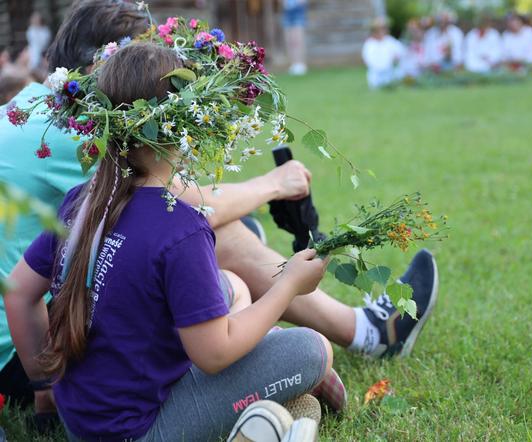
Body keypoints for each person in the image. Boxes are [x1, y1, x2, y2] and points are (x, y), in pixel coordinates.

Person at [0, 0, 439, 419]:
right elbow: (189, 208)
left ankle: (300, 338)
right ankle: (363, 331)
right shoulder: (88, 133)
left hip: (64, 343)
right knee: (228, 250)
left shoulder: (31, 114)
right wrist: (273, 202)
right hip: (30, 354)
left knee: (226, 255)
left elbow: (22, 285)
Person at [5, 42, 335, 441]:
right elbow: (213, 354)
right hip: (139, 430)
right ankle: (262, 425)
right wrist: (287, 286)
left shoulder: (83, 201)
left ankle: (276, 417)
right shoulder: (180, 228)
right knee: (313, 350)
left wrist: (46, 385)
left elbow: (20, 291)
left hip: (83, 421)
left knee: (232, 287)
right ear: (186, 125)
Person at [361, 17, 405, 89]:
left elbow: (401, 51)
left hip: (390, 70)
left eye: (384, 29)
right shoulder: (370, 43)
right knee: (376, 85)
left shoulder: (390, 40)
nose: (382, 31)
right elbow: (368, 59)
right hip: (376, 73)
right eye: (379, 29)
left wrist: (396, 56)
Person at [281, 0, 308, 75]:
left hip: (298, 10)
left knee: (298, 40)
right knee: (289, 40)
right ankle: (293, 64)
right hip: (287, 11)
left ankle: (301, 64)